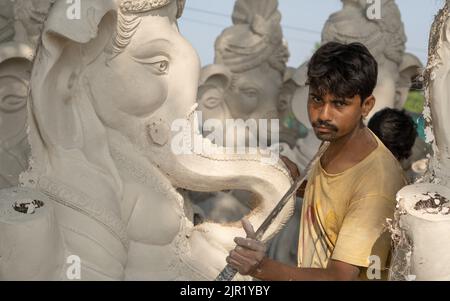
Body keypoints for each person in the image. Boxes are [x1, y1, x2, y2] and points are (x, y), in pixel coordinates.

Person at [226, 42, 407, 280]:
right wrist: (295, 181)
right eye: (317, 99)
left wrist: (259, 268)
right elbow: (337, 198)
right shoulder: (336, 140)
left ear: (366, 105)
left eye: (339, 103)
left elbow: (339, 277)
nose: (323, 115)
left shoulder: (375, 185)